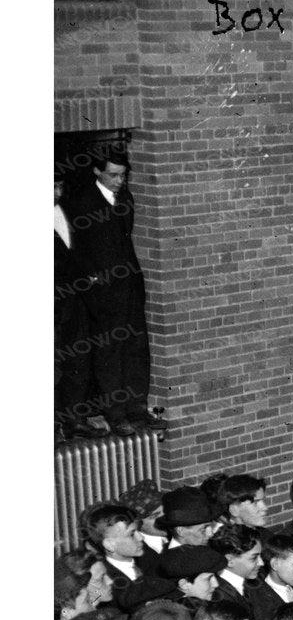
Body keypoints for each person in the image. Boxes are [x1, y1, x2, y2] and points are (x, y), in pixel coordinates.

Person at [64, 147, 160, 433]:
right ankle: (116, 415)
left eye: (123, 175)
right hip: (102, 292)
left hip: (129, 286)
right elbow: (73, 250)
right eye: (113, 175)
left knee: (136, 347)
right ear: (97, 171)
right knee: (109, 352)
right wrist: (92, 282)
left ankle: (137, 409)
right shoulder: (80, 203)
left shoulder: (125, 198)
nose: (119, 181)